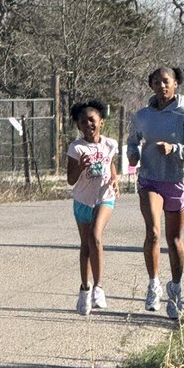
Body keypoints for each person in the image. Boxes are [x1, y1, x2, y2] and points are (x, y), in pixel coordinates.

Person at [126, 65, 184, 319]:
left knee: (174, 240)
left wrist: (175, 149)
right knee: (153, 233)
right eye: (157, 82)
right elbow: (132, 139)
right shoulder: (142, 116)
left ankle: (176, 289)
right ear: (150, 85)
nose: (162, 86)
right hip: (149, 179)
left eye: (166, 81)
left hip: (175, 181)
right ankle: (153, 285)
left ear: (175, 84)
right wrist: (133, 153)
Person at [66, 99, 120, 315]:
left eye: (92, 120)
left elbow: (111, 165)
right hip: (82, 201)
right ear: (78, 126)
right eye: (83, 121)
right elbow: (70, 180)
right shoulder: (76, 147)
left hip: (105, 197)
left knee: (96, 236)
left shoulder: (110, 144)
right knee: (86, 246)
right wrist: (80, 166)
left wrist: (115, 180)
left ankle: (98, 288)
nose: (88, 124)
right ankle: (84, 289)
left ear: (101, 123)